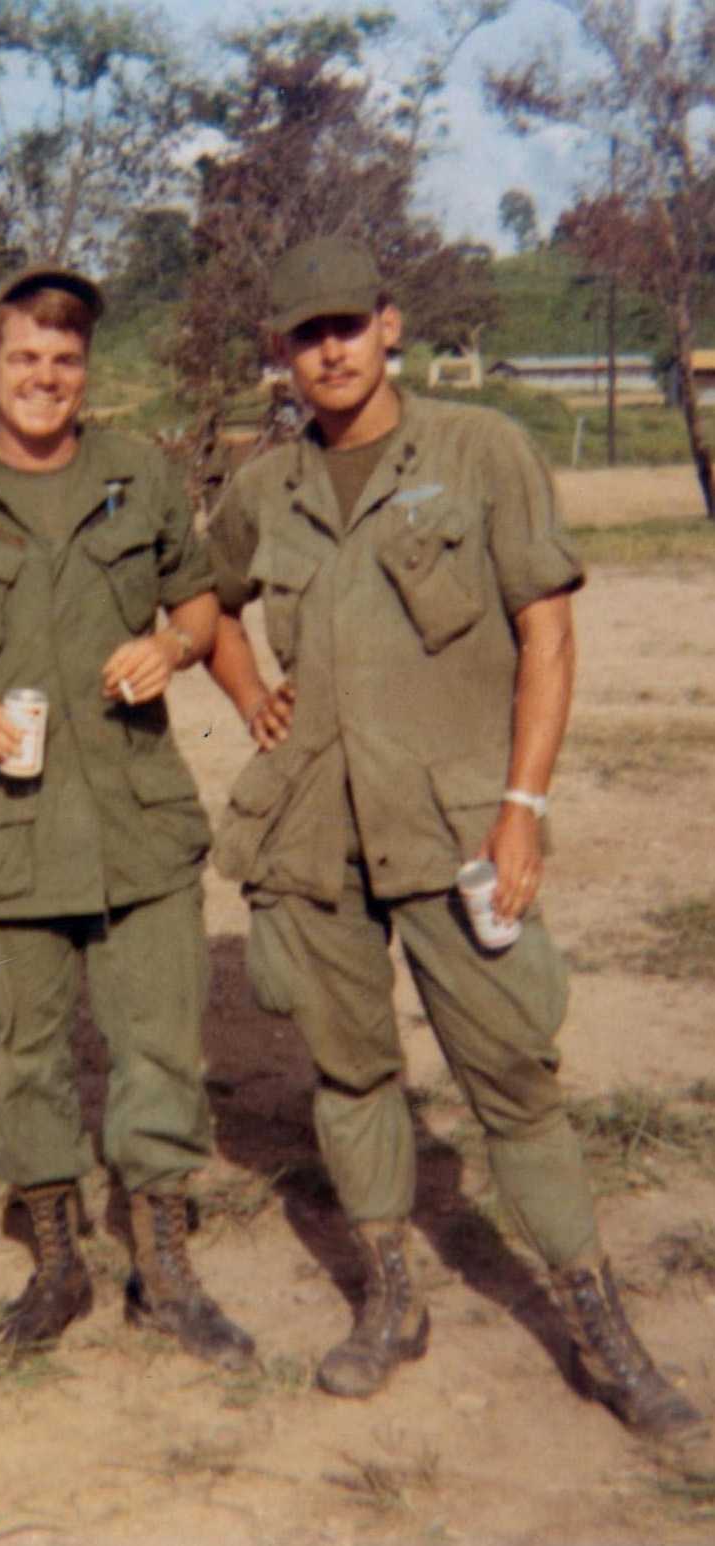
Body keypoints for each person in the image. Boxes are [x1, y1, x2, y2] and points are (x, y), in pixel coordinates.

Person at [204, 236, 707, 1445]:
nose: (327, 349)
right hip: (315, 829)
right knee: (351, 1073)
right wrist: (245, 694)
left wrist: (522, 808)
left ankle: (602, 1330)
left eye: (347, 324)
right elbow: (204, 601)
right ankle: (389, 1302)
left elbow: (549, 633)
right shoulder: (261, 489)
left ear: (389, 324)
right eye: (302, 333)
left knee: (515, 1083)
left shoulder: (483, 451)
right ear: (281, 352)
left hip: (456, 825)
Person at [0, 268, 252, 1369]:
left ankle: (165, 1268)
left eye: (67, 361)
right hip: (11, 824)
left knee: (159, 1045)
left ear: (86, 374)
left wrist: (173, 646)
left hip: (137, 816)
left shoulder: (140, 476)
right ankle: (54, 1260)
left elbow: (199, 597)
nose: (46, 378)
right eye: (25, 359)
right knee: (28, 1050)